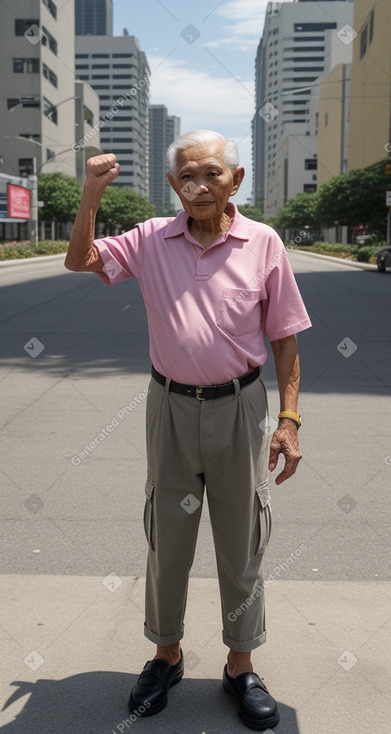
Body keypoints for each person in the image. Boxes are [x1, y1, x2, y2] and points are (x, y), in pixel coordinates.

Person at [65, 130, 311, 731]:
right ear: (173, 185)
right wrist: (91, 193)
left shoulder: (264, 242)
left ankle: (240, 664)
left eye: (211, 174)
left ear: (236, 179)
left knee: (243, 537)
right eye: (186, 178)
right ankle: (166, 654)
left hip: (241, 408)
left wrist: (289, 419)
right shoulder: (151, 238)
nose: (199, 187)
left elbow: (283, 337)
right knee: (167, 536)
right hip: (170, 407)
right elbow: (81, 260)